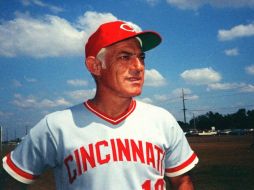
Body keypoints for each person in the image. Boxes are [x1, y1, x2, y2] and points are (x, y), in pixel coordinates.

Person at [1, 20, 198, 190]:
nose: (138, 67)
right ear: (96, 66)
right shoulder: (55, 126)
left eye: (141, 57)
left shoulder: (162, 120)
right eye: (124, 57)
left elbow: (182, 180)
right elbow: (11, 179)